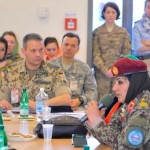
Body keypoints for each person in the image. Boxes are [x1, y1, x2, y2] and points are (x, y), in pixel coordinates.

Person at [85, 58, 150, 149]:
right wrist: (93, 120)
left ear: (135, 82)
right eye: (115, 82)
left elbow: (126, 146)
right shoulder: (130, 103)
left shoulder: (144, 108)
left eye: (120, 82)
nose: (114, 88)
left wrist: (96, 121)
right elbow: (108, 135)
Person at [0, 33, 71, 110]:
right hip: (18, 118)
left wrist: (40, 104)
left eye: (41, 50)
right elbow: (3, 98)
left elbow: (66, 98)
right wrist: (2, 104)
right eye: (33, 51)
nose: (38, 54)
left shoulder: (55, 70)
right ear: (23, 51)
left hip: (44, 118)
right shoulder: (11, 71)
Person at [93, 2, 131, 99]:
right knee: (102, 100)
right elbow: (95, 55)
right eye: (108, 12)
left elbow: (127, 54)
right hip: (102, 75)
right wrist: (106, 71)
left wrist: (117, 69)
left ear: (117, 14)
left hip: (119, 73)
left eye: (113, 12)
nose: (110, 15)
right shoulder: (97, 32)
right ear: (104, 14)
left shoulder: (123, 32)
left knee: (118, 99)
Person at [51, 32, 98, 110]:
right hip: (53, 107)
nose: (69, 48)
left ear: (78, 49)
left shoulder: (84, 68)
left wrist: (80, 100)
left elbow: (93, 92)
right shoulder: (50, 66)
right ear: (61, 46)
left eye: (73, 45)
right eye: (66, 44)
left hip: (77, 108)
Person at [132, 0, 150, 75]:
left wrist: (146, 42)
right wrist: (142, 45)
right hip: (144, 62)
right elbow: (138, 47)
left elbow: (143, 46)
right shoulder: (137, 26)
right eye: (149, 7)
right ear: (144, 9)